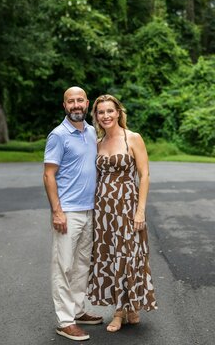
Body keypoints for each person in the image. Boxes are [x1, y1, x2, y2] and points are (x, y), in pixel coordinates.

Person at [87, 94, 157, 332]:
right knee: (110, 258)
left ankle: (126, 308)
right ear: (96, 116)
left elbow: (144, 175)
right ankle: (121, 309)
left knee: (129, 255)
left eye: (109, 111)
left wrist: (140, 211)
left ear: (118, 112)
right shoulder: (97, 143)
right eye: (100, 112)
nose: (105, 116)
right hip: (103, 210)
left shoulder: (133, 138)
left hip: (127, 206)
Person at [43, 86, 103, 341]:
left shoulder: (91, 132)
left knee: (81, 266)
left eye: (80, 100)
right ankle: (65, 321)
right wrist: (57, 211)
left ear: (87, 103)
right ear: (64, 106)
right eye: (71, 101)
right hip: (67, 212)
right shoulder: (58, 135)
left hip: (89, 210)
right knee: (64, 267)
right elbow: (48, 174)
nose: (76, 105)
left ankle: (78, 311)